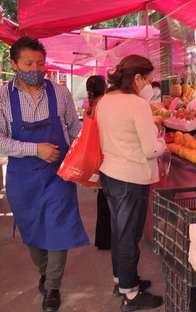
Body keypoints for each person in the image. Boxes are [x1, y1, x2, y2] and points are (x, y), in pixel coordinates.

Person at [0, 37, 88, 312]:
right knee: (32, 231)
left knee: (58, 228)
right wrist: (34, 148)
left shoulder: (60, 93)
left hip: (57, 176)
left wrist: (84, 160)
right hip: (22, 177)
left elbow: (75, 130)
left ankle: (52, 286)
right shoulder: (2, 96)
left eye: (40, 63)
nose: (36, 69)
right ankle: (44, 270)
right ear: (14, 64)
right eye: (28, 63)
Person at [97, 55, 165, 311]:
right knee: (128, 236)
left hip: (112, 174)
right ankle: (132, 295)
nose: (150, 85)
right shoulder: (136, 104)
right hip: (130, 176)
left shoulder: (106, 100)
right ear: (137, 78)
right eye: (148, 79)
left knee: (119, 231)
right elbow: (150, 150)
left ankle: (122, 280)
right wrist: (163, 142)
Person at [85, 75, 111, 250]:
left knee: (103, 199)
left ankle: (102, 239)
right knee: (108, 200)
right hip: (105, 154)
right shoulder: (105, 104)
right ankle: (106, 238)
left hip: (96, 154)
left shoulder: (91, 106)